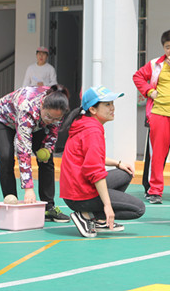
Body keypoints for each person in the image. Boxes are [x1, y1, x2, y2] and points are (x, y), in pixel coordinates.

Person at [59, 86, 145, 238]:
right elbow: (94, 171)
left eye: (112, 103)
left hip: (74, 189)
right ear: (93, 109)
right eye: (107, 104)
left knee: (125, 173)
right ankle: (88, 215)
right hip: (80, 195)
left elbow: (91, 157)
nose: (112, 108)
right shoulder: (92, 131)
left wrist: (118, 163)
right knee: (138, 209)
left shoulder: (85, 124)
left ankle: (98, 219)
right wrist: (107, 206)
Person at [0, 84, 71, 222]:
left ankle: (49, 208)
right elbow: (23, 150)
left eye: (56, 119)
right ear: (43, 104)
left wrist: (47, 148)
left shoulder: (57, 110)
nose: (52, 121)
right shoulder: (26, 108)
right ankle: (11, 204)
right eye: (49, 117)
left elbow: (53, 132)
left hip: (37, 123)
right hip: (3, 119)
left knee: (47, 159)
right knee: (6, 156)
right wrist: (28, 188)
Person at [133, 29, 170, 204]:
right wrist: (149, 91)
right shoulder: (154, 64)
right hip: (159, 115)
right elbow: (137, 77)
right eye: (168, 47)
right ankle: (155, 191)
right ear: (163, 47)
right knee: (157, 156)